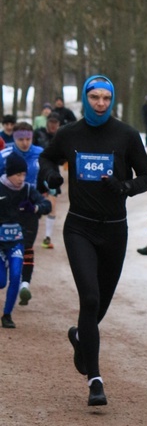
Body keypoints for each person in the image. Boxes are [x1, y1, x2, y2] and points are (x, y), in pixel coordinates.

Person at [39, 74, 147, 407]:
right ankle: (95, 380)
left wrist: (125, 186)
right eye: (94, 97)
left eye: (106, 98)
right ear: (86, 98)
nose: (100, 104)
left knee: (99, 305)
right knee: (89, 299)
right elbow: (47, 157)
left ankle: (80, 337)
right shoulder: (69, 134)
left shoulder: (126, 135)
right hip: (80, 228)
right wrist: (50, 175)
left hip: (115, 231)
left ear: (112, 100)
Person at [0, 154, 51, 328]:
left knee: (16, 276)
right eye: (18, 175)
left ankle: (7, 315)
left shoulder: (28, 190)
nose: (21, 179)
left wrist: (34, 208)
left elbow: (46, 205)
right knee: (1, 282)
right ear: (9, 174)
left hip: (17, 242)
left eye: (24, 174)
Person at [0, 121, 46, 305]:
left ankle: (24, 284)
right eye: (21, 139)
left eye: (28, 139)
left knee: (27, 246)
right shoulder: (4, 155)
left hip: (30, 207)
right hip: (6, 209)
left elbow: (46, 176)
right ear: (14, 138)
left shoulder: (40, 154)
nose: (25, 143)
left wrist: (47, 190)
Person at [33, 111, 62, 248]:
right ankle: (29, 235)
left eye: (55, 123)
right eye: (51, 122)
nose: (53, 125)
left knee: (52, 203)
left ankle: (47, 237)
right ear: (47, 122)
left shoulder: (60, 137)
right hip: (37, 173)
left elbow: (62, 159)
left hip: (53, 175)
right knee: (35, 204)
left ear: (59, 124)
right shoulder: (38, 133)